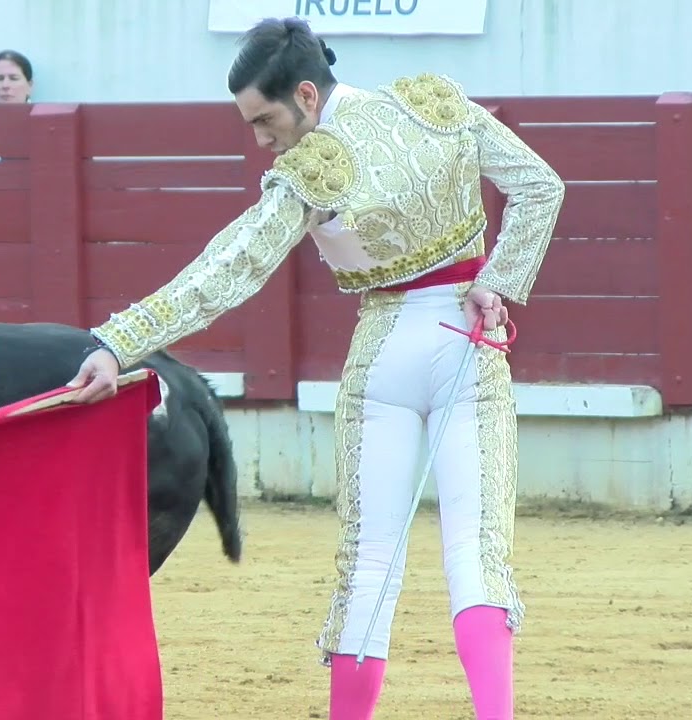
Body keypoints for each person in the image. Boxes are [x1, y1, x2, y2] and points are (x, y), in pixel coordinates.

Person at [66, 16, 564, 720]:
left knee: (367, 568)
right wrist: (501, 281)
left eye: (264, 120)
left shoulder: (313, 168)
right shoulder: (435, 104)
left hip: (383, 354)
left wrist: (121, 341)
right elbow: (542, 187)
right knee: (478, 557)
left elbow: (230, 268)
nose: (260, 139)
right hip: (466, 344)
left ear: (305, 94)